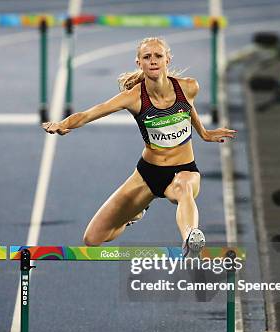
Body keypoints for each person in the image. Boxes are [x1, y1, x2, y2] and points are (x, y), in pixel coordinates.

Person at [42, 37, 236, 255]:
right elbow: (91, 113)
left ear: (167, 60)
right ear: (139, 63)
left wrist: (204, 133)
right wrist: (62, 124)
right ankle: (135, 214)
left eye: (158, 56)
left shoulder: (189, 87)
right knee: (93, 238)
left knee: (184, 188)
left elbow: (188, 108)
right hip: (148, 173)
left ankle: (191, 240)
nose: (153, 61)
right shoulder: (134, 97)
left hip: (184, 170)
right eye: (147, 57)